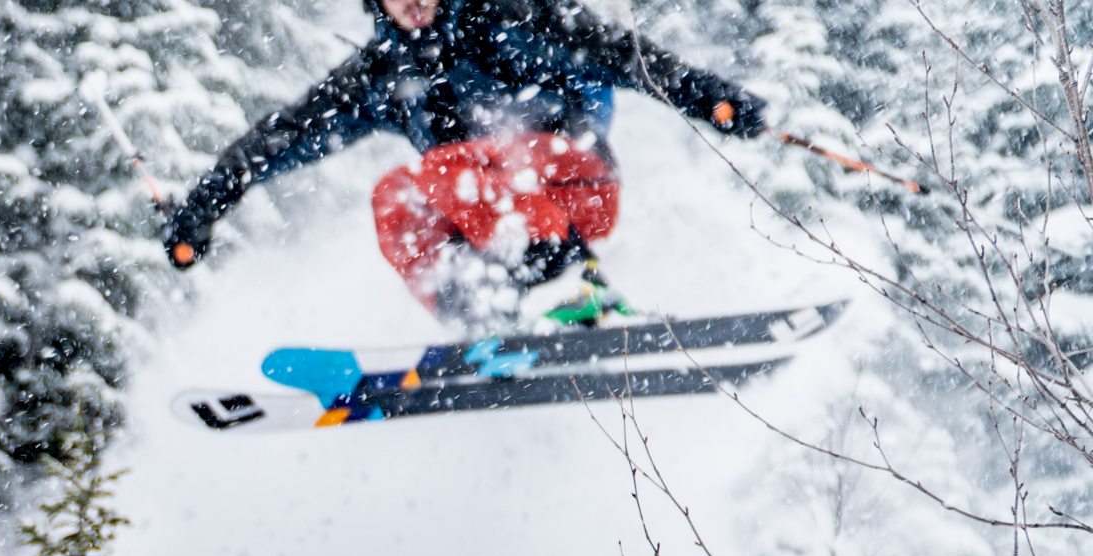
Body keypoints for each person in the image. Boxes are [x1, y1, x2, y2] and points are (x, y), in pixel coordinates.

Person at [161, 0, 769, 327]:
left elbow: (621, 53)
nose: (416, 2)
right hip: (482, 211)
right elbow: (285, 135)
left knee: (449, 168)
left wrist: (711, 98)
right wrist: (202, 208)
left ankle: (559, 282)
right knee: (397, 199)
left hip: (568, 180)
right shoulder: (381, 75)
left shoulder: (512, 16)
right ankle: (480, 315)